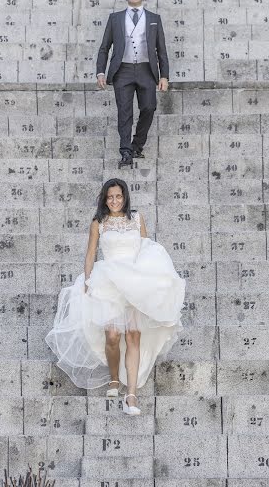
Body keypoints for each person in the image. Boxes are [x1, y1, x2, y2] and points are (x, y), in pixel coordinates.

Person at [45, 178, 185, 415]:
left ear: (125, 197)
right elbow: (90, 254)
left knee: (133, 335)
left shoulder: (137, 218)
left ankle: (131, 396)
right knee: (111, 335)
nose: (114, 201)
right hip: (108, 281)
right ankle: (113, 377)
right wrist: (87, 281)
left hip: (134, 282)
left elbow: (146, 250)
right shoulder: (99, 222)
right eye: (110, 197)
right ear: (104, 199)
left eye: (118, 196)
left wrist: (152, 281)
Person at [96, 0, 169, 168]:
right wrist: (100, 72)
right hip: (123, 70)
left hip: (146, 70)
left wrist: (164, 76)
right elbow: (105, 47)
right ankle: (126, 151)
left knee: (149, 108)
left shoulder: (154, 18)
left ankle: (137, 144)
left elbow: (161, 50)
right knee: (124, 112)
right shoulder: (115, 18)